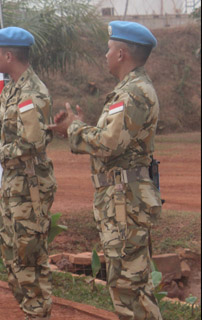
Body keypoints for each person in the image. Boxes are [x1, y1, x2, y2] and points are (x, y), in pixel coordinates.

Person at [49, 21, 163, 320]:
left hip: (125, 201)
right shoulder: (129, 90)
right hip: (120, 199)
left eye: (109, 48)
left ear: (122, 53)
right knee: (128, 283)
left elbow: (110, 144)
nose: (105, 54)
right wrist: (80, 126)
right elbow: (113, 139)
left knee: (129, 285)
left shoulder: (133, 92)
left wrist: (72, 128)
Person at [0, 27, 56, 319]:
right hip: (14, 185)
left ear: (9, 55)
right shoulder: (11, 88)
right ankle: (32, 310)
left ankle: (37, 313)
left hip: (30, 188)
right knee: (12, 256)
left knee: (28, 256)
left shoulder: (32, 93)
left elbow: (32, 143)